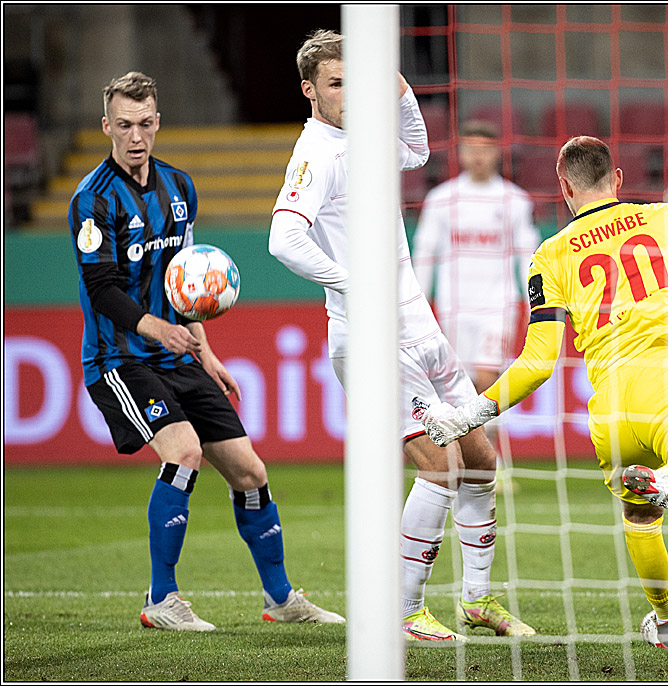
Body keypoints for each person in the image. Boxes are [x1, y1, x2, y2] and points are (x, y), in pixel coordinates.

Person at [422, 135, 668, 649]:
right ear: (619, 179)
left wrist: (469, 414)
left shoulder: (551, 255)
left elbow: (538, 363)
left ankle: (667, 619)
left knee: (640, 511)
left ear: (564, 188)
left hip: (611, 403)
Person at [267, 29, 534, 643]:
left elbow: (414, 150)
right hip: (369, 336)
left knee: (479, 458)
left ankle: (476, 600)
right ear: (310, 91)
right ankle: (404, 610)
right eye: (338, 83)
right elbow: (284, 239)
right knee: (437, 466)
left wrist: (401, 87)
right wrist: (349, 280)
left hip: (420, 325)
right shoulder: (319, 154)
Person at [68, 71, 342, 632]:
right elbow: (102, 289)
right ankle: (161, 599)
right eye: (124, 125)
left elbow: (186, 279)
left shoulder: (180, 188)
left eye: (145, 123)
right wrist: (156, 330)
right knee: (184, 450)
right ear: (106, 127)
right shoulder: (92, 201)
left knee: (250, 472)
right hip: (120, 360)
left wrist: (206, 352)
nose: (136, 135)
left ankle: (282, 598)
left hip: (177, 355)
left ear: (158, 122)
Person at [412, 119, 540, 395]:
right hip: (454, 306)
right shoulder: (441, 199)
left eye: (484, 149)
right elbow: (425, 254)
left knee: (487, 378)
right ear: (460, 153)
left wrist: (534, 305)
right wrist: (418, 304)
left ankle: (491, 436)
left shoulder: (515, 200)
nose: (477, 156)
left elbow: (527, 257)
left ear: (496, 153)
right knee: (461, 386)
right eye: (470, 149)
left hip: (498, 305)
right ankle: (478, 437)